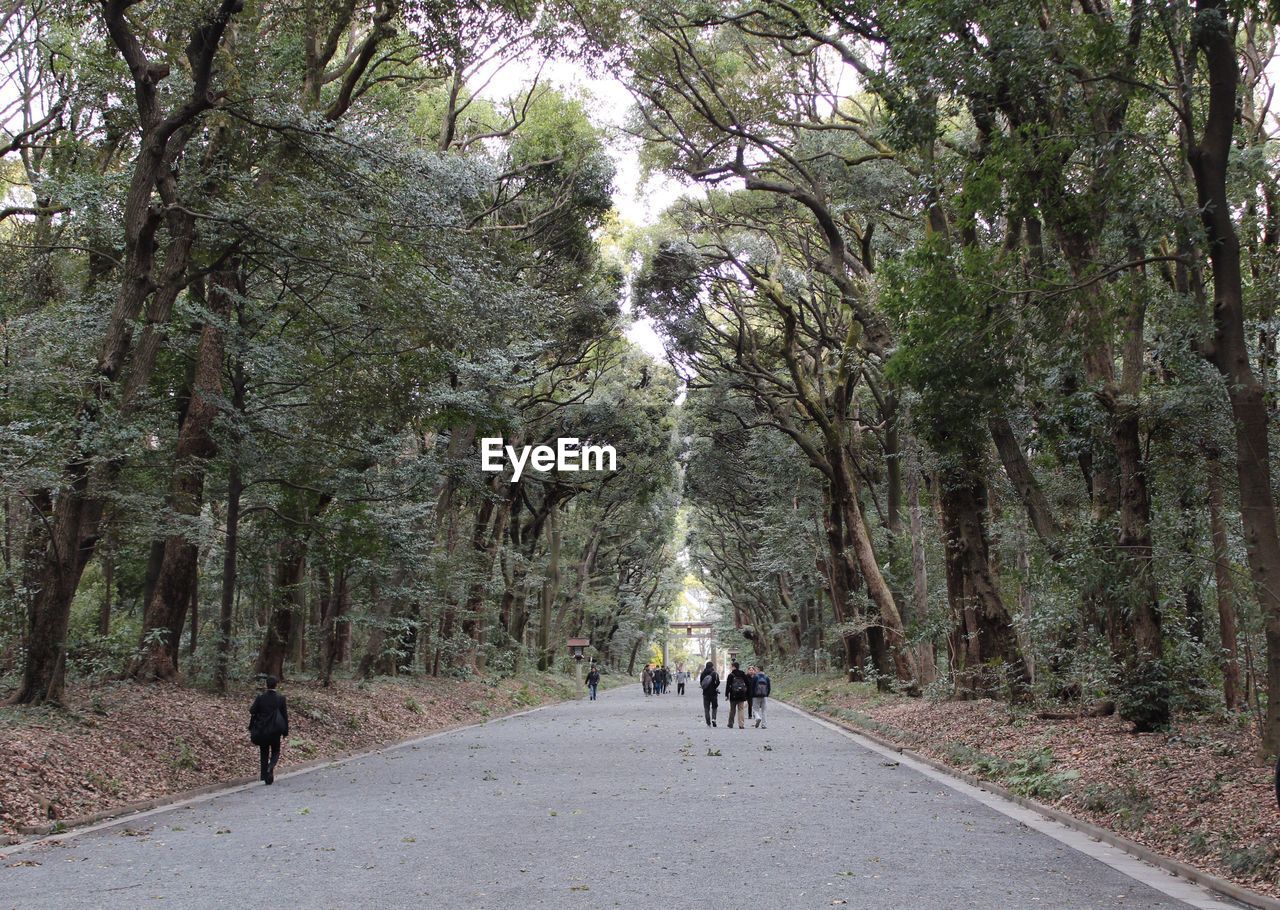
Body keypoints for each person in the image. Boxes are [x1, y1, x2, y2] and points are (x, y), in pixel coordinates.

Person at [249, 676, 289, 785]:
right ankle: (270, 767)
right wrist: (285, 731)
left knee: (264, 751)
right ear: (276, 685)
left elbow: (252, 710)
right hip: (275, 730)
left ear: (266, 685)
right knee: (276, 750)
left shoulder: (260, 697)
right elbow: (285, 716)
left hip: (262, 729)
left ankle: (265, 776)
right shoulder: (281, 698)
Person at [724, 661, 751, 729]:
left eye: (731, 666)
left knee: (732, 709)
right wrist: (747, 694)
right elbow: (747, 684)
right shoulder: (743, 674)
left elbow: (728, 686)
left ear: (734, 667)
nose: (731, 668)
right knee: (741, 709)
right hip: (742, 695)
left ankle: (730, 723)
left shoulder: (731, 675)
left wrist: (727, 695)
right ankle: (741, 724)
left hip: (733, 695)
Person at [699, 660, 719, 727]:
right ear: (712, 666)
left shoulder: (703, 673)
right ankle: (714, 719)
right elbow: (718, 682)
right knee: (714, 707)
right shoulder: (715, 673)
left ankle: (708, 723)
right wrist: (715, 687)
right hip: (713, 693)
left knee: (706, 708)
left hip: (705, 693)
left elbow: (701, 683)